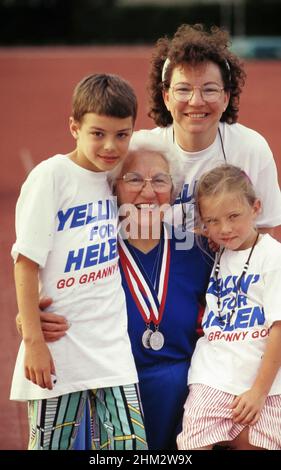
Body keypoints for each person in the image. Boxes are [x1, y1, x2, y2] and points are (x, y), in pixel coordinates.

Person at [20, 130, 212, 449]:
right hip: (113, 391)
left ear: (175, 191)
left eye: (160, 181)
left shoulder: (198, 252)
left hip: (184, 399)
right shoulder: (94, 250)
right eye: (134, 179)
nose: (148, 192)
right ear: (115, 188)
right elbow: (50, 297)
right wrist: (28, 320)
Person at [10, 73, 148, 450]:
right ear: (74, 127)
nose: (110, 146)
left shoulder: (116, 176)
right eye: (98, 133)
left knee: (130, 446)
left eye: (122, 135)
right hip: (59, 347)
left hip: (111, 348)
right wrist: (33, 339)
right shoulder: (51, 176)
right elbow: (25, 262)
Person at [177, 164, 281, 450]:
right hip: (213, 378)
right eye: (213, 220)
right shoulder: (217, 248)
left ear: (256, 207)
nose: (225, 228)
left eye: (234, 216)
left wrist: (259, 391)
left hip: (266, 385)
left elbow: (279, 329)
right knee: (192, 445)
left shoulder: (273, 257)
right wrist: (209, 232)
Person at [147, 23, 281, 233]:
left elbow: (265, 229)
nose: (196, 101)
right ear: (166, 97)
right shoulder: (143, 152)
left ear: (226, 97)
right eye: (183, 89)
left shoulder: (251, 149)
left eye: (209, 90)